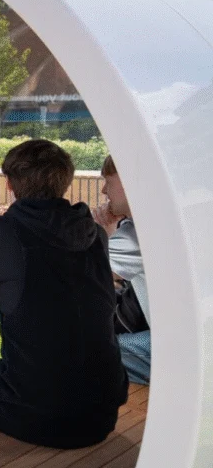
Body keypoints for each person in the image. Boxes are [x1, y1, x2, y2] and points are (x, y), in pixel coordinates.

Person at [0, 139, 127, 448]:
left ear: (9, 184)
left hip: (41, 409)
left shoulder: (1, 232)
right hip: (103, 405)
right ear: (64, 182)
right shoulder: (94, 233)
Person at [93, 155, 150, 385]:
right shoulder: (149, 224)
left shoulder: (135, 236)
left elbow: (78, 273)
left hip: (174, 347)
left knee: (85, 352)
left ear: (128, 181)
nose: (104, 190)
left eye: (108, 181)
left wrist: (101, 233)